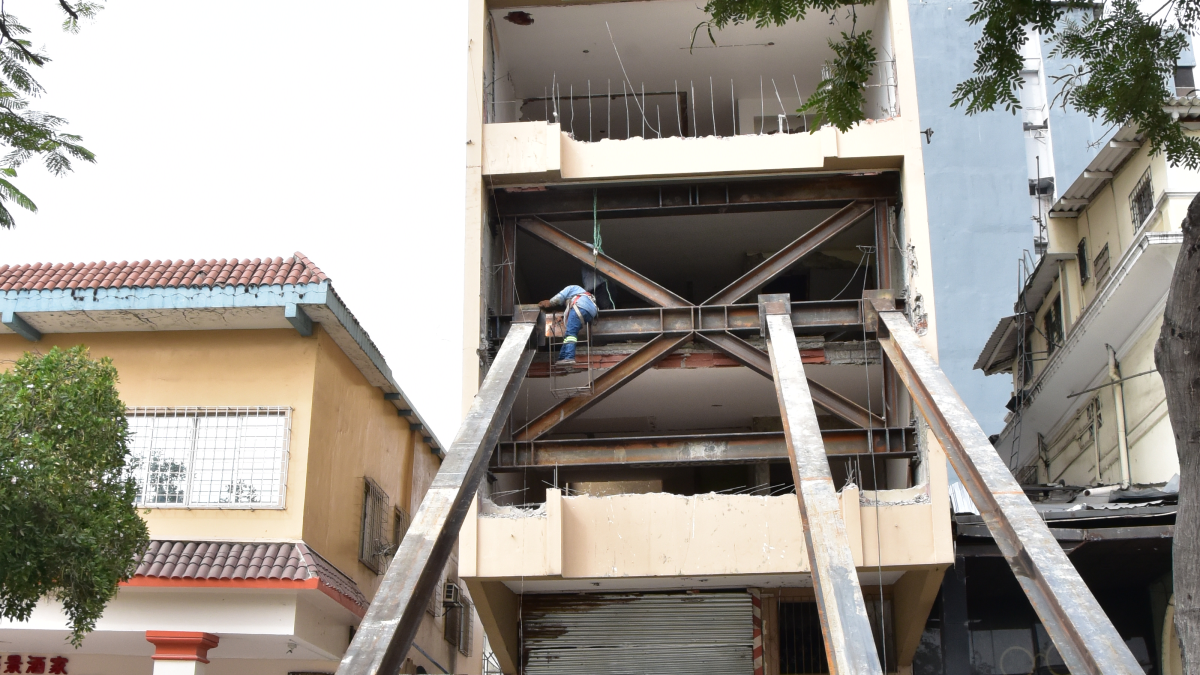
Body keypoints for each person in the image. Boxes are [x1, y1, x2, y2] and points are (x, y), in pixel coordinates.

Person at [538, 284, 598, 366]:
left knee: (571, 334)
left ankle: (569, 357)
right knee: (569, 334)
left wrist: (549, 302)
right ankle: (562, 357)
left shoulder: (571, 288)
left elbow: (558, 298)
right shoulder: (581, 295)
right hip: (590, 312)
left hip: (580, 306)